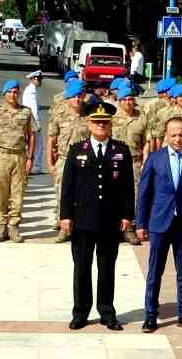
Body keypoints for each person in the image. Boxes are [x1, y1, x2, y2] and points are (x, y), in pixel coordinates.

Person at [61, 97, 135, 332]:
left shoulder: (120, 151)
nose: (101, 126)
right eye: (97, 122)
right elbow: (68, 186)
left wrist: (127, 215)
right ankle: (80, 312)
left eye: (105, 122)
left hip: (110, 221)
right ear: (89, 124)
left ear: (110, 124)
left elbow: (127, 187)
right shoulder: (77, 150)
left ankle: (107, 311)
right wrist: (65, 216)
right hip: (82, 219)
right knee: (81, 268)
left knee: (106, 268)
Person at [136, 117, 182, 333]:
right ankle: (150, 316)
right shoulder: (155, 159)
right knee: (154, 272)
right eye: (174, 135)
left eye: (181, 135)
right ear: (166, 136)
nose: (178, 139)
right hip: (159, 223)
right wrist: (140, 223)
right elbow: (144, 193)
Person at [0, 79, 38, 243]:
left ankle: (14, 227)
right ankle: (1, 226)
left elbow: (31, 136)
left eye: (15, 92)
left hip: (19, 156)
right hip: (1, 155)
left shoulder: (26, 113)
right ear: (5, 93)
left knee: (18, 194)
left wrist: (30, 158)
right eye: (9, 92)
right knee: (1, 193)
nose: (12, 95)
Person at [48, 79, 89, 243]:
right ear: (68, 98)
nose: (77, 99)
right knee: (62, 195)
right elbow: (51, 140)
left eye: (80, 96)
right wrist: (50, 163)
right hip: (64, 160)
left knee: (83, 195)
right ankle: (63, 228)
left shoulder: (90, 114)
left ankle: (80, 227)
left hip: (84, 161)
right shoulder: (59, 114)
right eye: (74, 96)